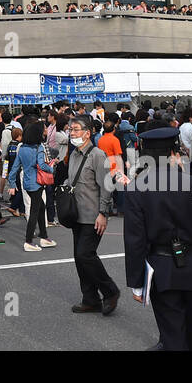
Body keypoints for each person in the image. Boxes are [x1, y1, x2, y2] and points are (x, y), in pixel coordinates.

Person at [123, 127, 192, 350]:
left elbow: (135, 241)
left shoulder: (136, 188)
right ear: (174, 152)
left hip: (161, 268)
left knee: (172, 335)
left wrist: (136, 283)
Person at [64, 117, 120, 316]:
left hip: (93, 215)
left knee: (85, 254)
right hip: (76, 215)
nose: (72, 133)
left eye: (76, 130)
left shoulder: (97, 155)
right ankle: (90, 299)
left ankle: (110, 291)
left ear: (88, 133)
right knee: (79, 258)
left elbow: (107, 185)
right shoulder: (74, 154)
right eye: (70, 129)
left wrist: (103, 213)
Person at [8, 119, 56, 251]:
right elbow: (41, 164)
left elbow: (14, 168)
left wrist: (12, 183)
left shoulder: (22, 148)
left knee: (40, 207)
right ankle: (29, 241)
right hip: (37, 183)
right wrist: (51, 169)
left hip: (27, 183)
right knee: (35, 210)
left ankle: (44, 236)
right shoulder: (39, 147)